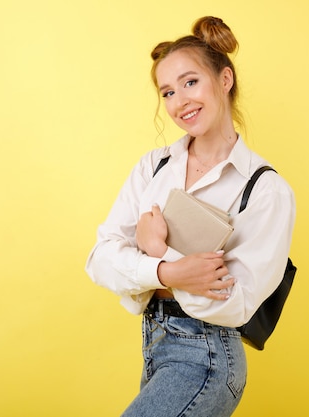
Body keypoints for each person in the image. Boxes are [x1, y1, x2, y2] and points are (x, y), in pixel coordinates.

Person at [85, 16, 296, 417]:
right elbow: (100, 258)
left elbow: (237, 302)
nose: (179, 101)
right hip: (154, 344)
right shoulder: (155, 166)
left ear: (225, 80)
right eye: (167, 92)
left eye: (190, 82)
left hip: (208, 358)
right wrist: (169, 272)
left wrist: (155, 251)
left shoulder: (266, 190)